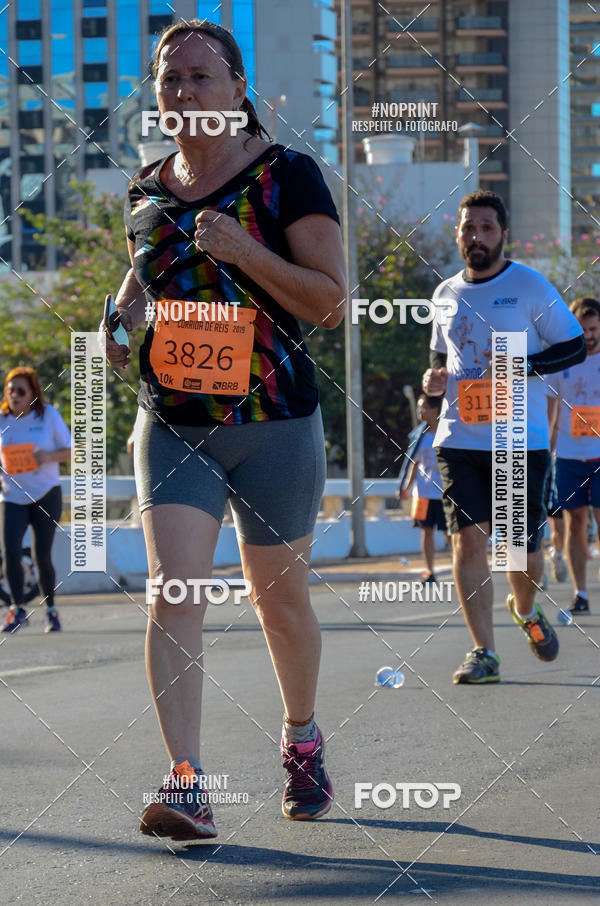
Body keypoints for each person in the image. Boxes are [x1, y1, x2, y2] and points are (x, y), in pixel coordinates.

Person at [102, 20, 346, 841]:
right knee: (175, 595)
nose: (183, 92)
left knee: (281, 605)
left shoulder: (288, 178)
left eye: (201, 77)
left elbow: (331, 302)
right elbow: (142, 285)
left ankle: (301, 737)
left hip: (276, 423)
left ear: (239, 90)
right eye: (170, 79)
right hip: (175, 423)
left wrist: (245, 250)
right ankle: (188, 785)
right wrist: (120, 322)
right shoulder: (145, 190)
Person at [422, 189, 586, 684]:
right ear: (458, 233)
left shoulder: (531, 287)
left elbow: (574, 346)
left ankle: (526, 607)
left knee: (519, 551)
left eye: (487, 228)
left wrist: (523, 365)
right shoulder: (445, 294)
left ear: (503, 234)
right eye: (469, 228)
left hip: (518, 436)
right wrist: (431, 394)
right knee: (467, 542)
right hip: (458, 438)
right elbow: (439, 358)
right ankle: (483, 653)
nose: (477, 237)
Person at [0, 367, 71, 633]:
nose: (14, 395)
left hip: (45, 494)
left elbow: (69, 449)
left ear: (32, 394)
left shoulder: (47, 415)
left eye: (20, 391)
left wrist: (47, 457)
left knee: (42, 555)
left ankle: (51, 611)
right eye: (10, 390)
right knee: (10, 552)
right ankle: (17, 610)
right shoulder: (2, 419)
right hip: (12, 495)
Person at [547, 296, 600, 614]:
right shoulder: (562, 361)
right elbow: (551, 410)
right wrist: (546, 450)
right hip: (567, 455)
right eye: (583, 329)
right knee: (574, 523)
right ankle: (580, 593)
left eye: (594, 329)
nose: (590, 335)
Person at [398, 394, 448, 582]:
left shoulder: (447, 433)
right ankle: (430, 571)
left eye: (424, 407)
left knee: (449, 533)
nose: (420, 412)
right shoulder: (419, 436)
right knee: (426, 531)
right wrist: (406, 487)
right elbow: (413, 463)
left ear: (435, 410)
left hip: (444, 493)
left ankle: (461, 565)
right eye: (419, 408)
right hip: (424, 493)